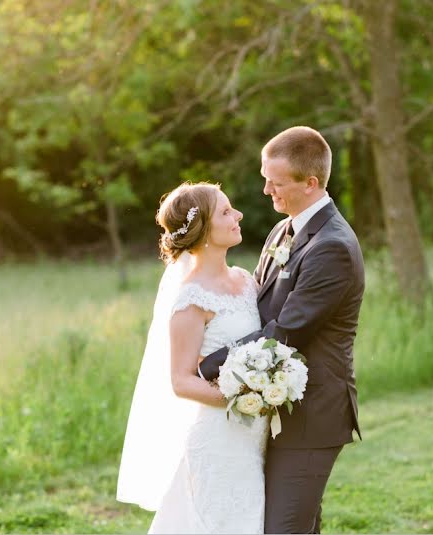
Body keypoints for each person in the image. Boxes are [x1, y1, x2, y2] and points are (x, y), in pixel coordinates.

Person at [199, 126, 365, 534]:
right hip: (273, 409)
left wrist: (207, 365)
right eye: (264, 178)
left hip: (312, 416)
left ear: (310, 183)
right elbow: (255, 308)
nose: (266, 190)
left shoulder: (332, 247)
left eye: (275, 182)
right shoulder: (282, 229)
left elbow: (287, 331)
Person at [117, 182, 268, 534]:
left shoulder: (247, 281)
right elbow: (180, 380)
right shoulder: (190, 300)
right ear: (202, 229)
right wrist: (243, 400)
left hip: (257, 435)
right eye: (226, 212)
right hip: (220, 437)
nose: (238, 216)